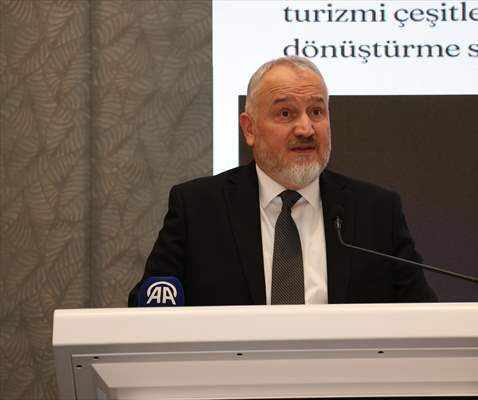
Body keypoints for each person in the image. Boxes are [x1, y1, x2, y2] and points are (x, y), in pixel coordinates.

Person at [129, 56, 436, 306]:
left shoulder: (376, 211)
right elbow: (149, 312)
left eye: (316, 112)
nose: (306, 129)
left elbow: (425, 320)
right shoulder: (198, 209)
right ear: (249, 129)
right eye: (286, 113)